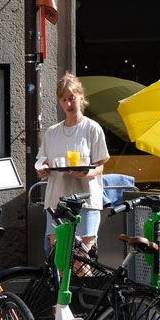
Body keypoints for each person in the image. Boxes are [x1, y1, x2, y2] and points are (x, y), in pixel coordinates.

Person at [35, 72, 109, 259]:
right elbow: (42, 160)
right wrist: (43, 169)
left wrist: (85, 174)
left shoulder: (92, 129)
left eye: (72, 98)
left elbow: (101, 167)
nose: (68, 104)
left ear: (81, 98)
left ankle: (88, 289)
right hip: (56, 202)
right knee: (59, 258)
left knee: (81, 261)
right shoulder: (52, 132)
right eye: (64, 99)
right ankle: (61, 290)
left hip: (85, 202)